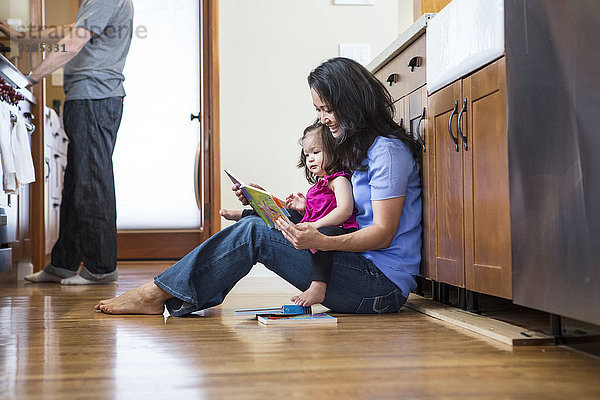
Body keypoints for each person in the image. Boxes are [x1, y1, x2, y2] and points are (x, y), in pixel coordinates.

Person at [95, 57, 422, 316]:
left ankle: (156, 294)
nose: (322, 118)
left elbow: (382, 233)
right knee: (257, 222)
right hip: (360, 269)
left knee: (254, 234)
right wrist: (271, 205)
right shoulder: (363, 150)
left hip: (379, 287)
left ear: (352, 103)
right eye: (318, 110)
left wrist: (320, 239)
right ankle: (174, 294)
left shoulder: (388, 153)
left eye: (327, 109)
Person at [1, 0, 134, 285]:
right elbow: (73, 28)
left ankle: (101, 268)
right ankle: (63, 263)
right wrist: (24, 37)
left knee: (91, 182)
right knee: (76, 183)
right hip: (88, 97)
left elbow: (75, 40)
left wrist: (31, 77)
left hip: (94, 98)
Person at [220, 122, 359, 307]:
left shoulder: (339, 180)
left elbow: (344, 210)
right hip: (317, 224)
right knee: (286, 214)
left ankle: (318, 287)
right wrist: (303, 206)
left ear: (334, 150)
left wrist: (315, 226)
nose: (310, 159)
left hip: (336, 230)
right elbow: (319, 208)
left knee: (324, 232)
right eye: (307, 154)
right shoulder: (320, 185)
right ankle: (245, 214)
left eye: (316, 153)